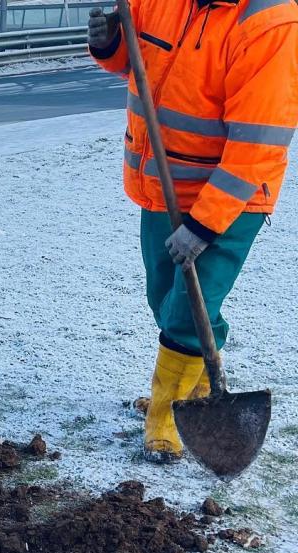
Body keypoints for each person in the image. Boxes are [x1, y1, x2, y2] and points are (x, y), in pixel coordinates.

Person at [88, 0, 298, 463]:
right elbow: (134, 63)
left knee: (186, 310)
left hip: (233, 194)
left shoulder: (269, 22)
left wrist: (205, 224)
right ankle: (200, 381)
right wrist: (110, 42)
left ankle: (166, 416)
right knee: (163, 296)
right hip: (163, 184)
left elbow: (259, 142)